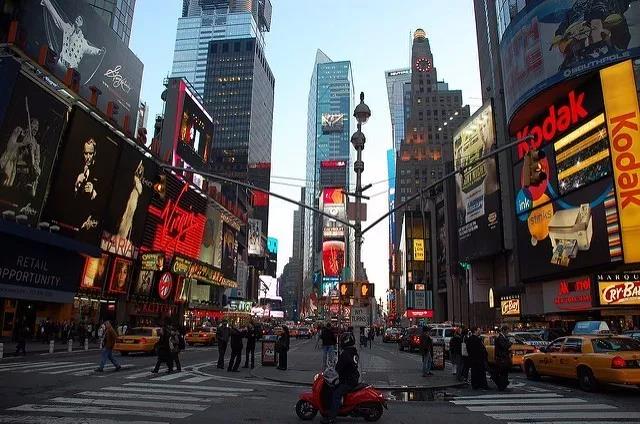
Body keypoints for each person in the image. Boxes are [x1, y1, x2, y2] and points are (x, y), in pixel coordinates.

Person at [322, 332, 360, 424]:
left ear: (345, 341)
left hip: (348, 380)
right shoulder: (353, 352)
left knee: (336, 394)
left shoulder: (345, 354)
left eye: (342, 340)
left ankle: (331, 418)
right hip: (352, 378)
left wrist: (332, 372)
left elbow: (338, 368)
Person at [493, 326, 512, 391]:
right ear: (504, 330)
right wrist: (510, 343)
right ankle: (502, 385)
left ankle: (503, 384)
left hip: (503, 357)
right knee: (502, 372)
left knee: (503, 372)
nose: (508, 332)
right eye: (507, 330)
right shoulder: (500, 337)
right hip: (502, 358)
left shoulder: (503, 337)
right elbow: (504, 346)